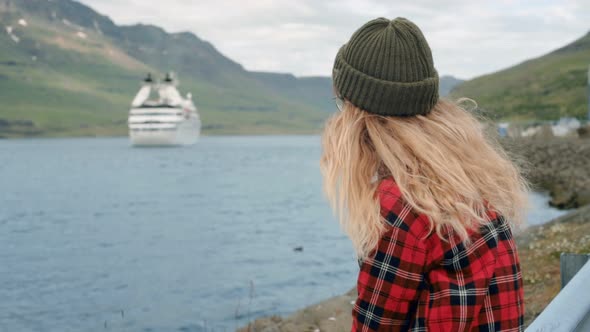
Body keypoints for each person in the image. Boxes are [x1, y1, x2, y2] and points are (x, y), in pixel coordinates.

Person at [320, 17, 529, 331]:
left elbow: (375, 326)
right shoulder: (470, 181)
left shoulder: (403, 205)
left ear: (360, 115)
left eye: (342, 103)